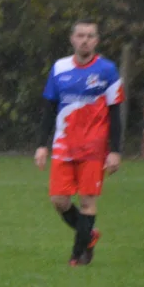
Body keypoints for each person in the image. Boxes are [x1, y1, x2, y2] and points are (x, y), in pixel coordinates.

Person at [34, 21, 124, 266]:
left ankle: (79, 255)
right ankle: (89, 235)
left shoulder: (107, 70)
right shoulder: (60, 68)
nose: (85, 40)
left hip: (94, 148)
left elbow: (115, 112)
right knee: (59, 200)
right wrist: (42, 145)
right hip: (64, 146)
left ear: (96, 41)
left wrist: (115, 151)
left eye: (90, 36)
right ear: (72, 39)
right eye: (80, 35)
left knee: (87, 201)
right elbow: (50, 108)